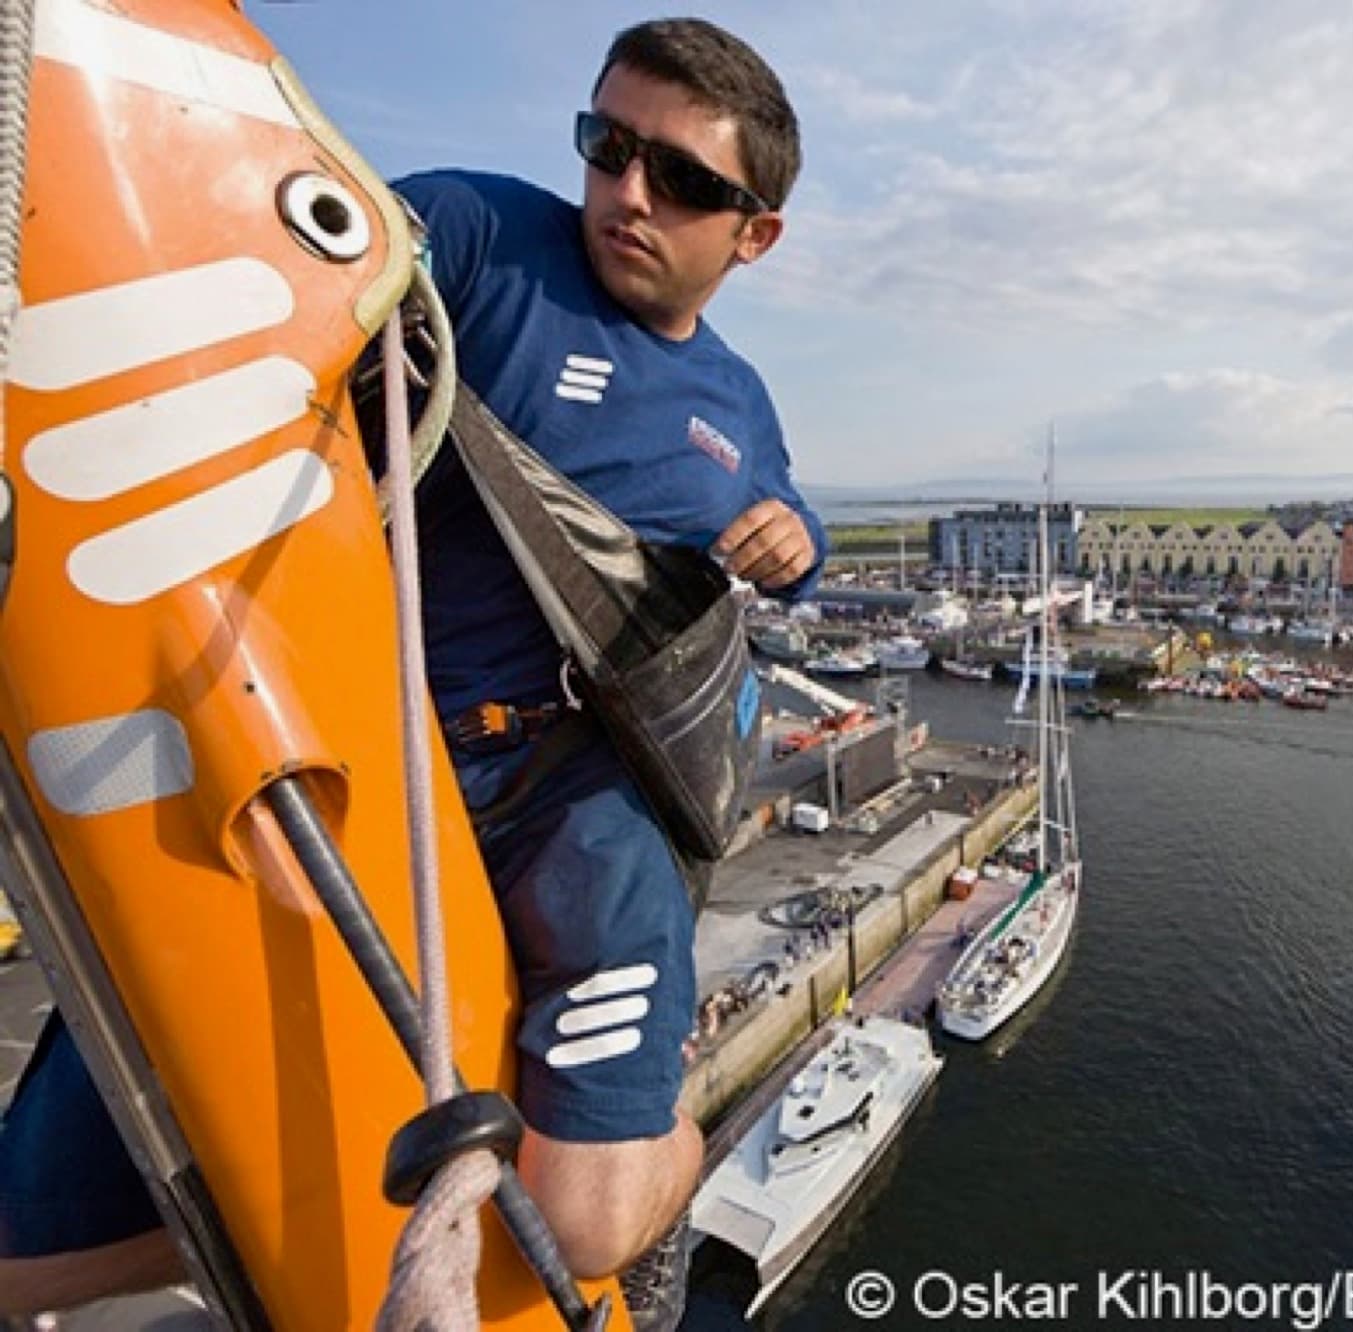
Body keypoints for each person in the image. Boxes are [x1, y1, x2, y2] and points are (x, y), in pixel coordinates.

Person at [0, 16, 823, 1321]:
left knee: (591, 1218)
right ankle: (292, 1219)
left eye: (679, 178)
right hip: (367, 751)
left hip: (582, 795)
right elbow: (291, 264)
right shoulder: (487, 239)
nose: (626, 192)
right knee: (19, 1257)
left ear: (753, 234)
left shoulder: (736, 404)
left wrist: (798, 543)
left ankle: (667, 1131)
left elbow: (787, 522)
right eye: (606, 145)